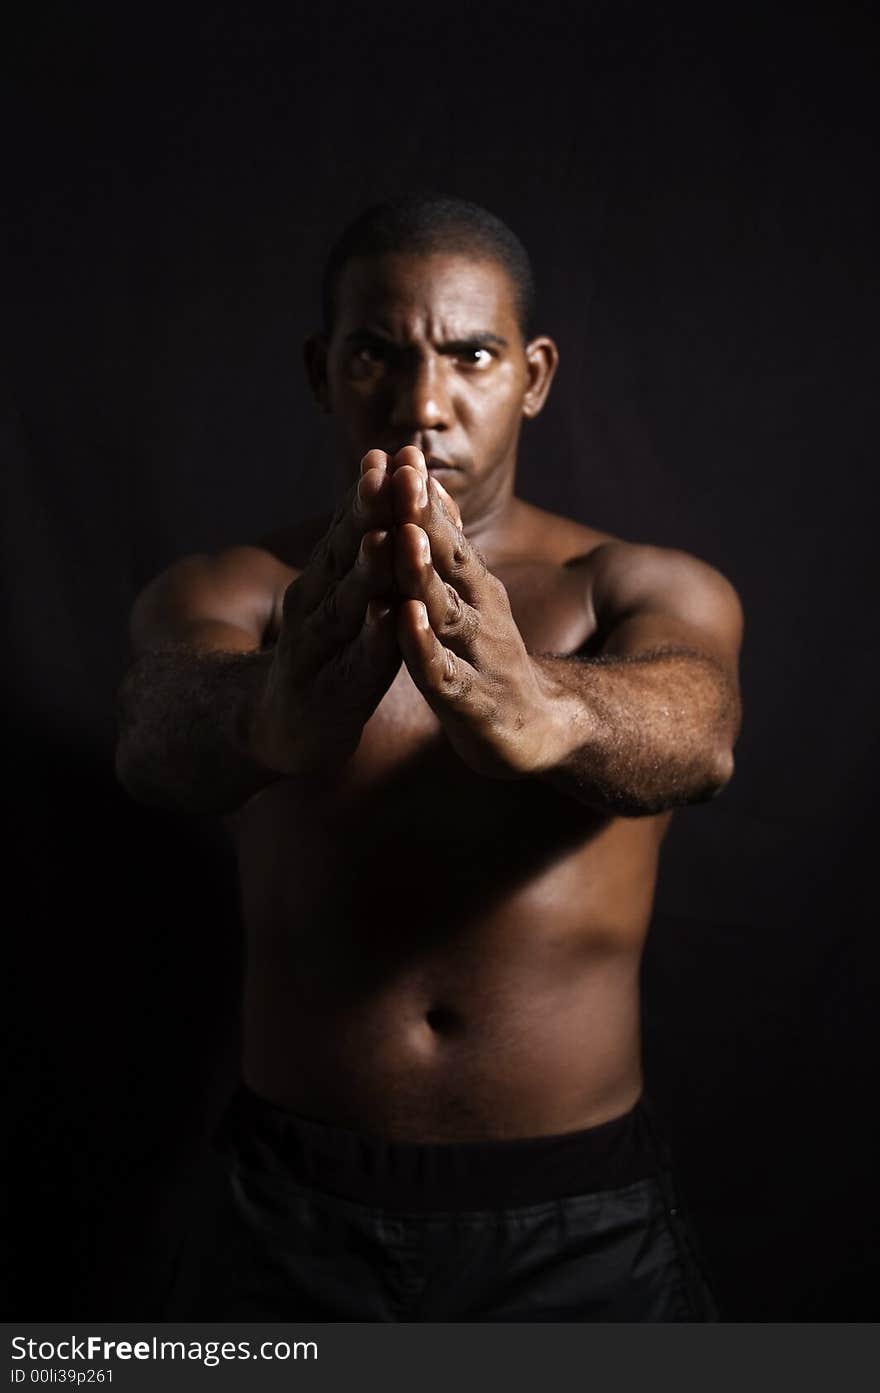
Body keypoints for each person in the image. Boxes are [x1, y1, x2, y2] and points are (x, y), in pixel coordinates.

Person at [115, 194, 743, 1321]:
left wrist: (550, 711)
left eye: (471, 355)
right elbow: (154, 737)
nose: (421, 405)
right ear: (322, 370)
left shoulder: (636, 585)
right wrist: (267, 712)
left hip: (577, 1216)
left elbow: (697, 731)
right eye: (377, 355)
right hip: (287, 1211)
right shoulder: (241, 590)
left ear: (533, 375)